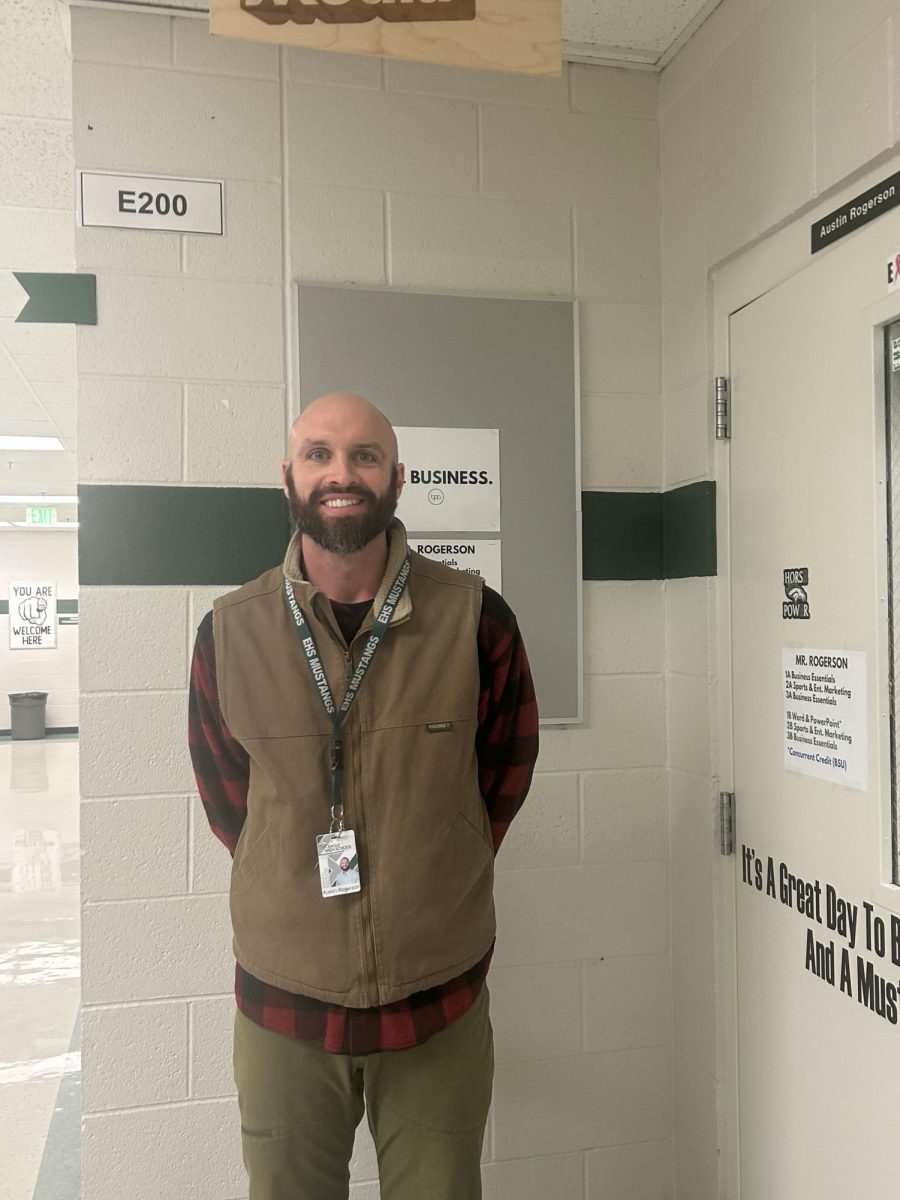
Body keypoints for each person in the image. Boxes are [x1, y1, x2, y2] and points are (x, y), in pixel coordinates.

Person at [188, 391, 538, 1200]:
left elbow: (500, 778)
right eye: (318, 453)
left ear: (398, 478)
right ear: (288, 476)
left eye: (364, 455)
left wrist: (436, 862)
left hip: (437, 1007)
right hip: (286, 1011)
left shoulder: (476, 622)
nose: (340, 473)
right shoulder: (229, 633)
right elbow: (230, 804)